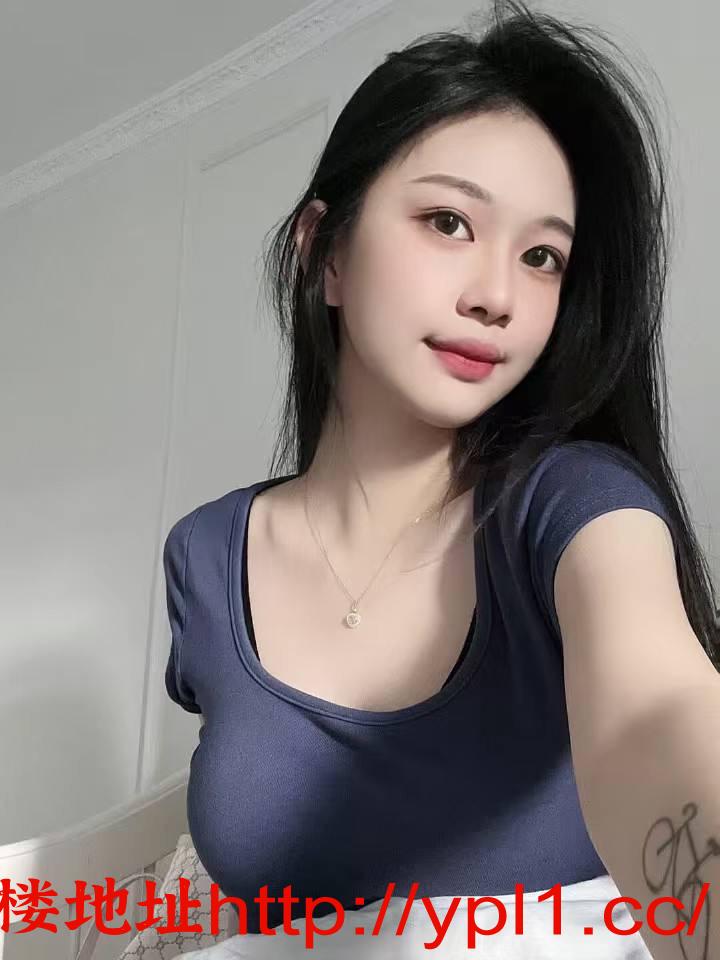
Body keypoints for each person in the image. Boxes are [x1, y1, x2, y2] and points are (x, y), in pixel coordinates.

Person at [163, 1, 720, 957]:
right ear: (325, 252)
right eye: (448, 221)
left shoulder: (575, 505)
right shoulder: (205, 557)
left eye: (541, 256)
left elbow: (655, 714)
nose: (497, 296)